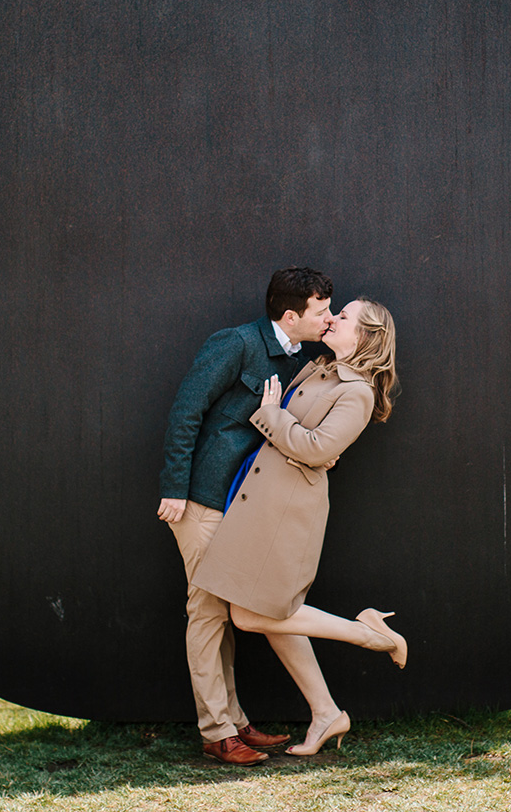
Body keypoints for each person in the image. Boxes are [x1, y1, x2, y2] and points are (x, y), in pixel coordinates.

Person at [192, 298, 402, 757]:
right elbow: (309, 445)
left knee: (251, 614)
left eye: (343, 317)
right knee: (269, 615)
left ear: (365, 336)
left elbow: (312, 447)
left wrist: (273, 417)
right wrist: (296, 436)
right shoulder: (318, 368)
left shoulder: (358, 392)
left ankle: (367, 634)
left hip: (287, 510)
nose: (333, 320)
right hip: (262, 499)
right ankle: (326, 712)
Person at [157, 267, 335, 766]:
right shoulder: (235, 343)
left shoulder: (304, 357)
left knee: (225, 615)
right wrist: (175, 489)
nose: (328, 319)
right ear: (290, 315)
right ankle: (217, 732)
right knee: (208, 613)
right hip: (202, 501)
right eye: (321, 312)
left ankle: (234, 722)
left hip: (246, 506)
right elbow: (186, 412)